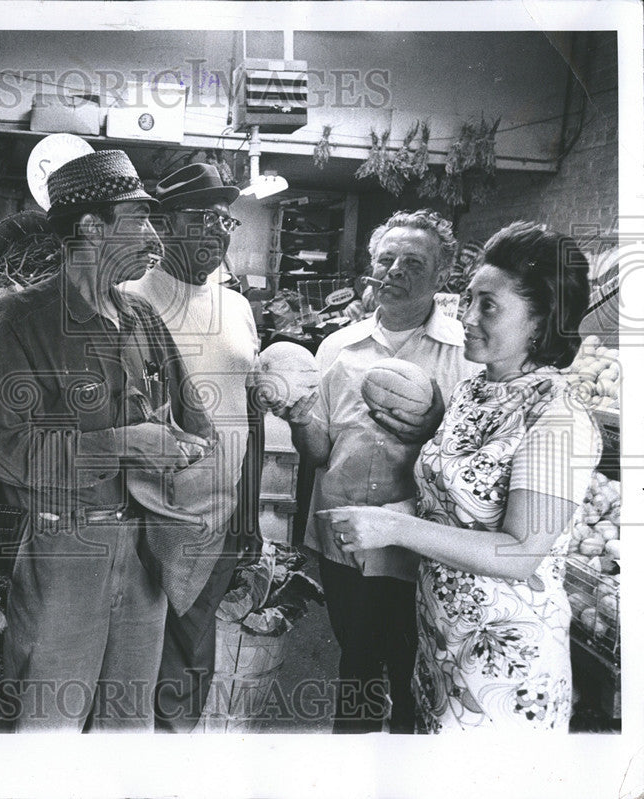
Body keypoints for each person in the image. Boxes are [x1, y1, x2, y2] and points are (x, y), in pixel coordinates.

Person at [323, 221, 599, 731]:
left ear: (540, 322)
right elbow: (448, 495)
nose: (467, 317)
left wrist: (396, 529)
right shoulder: (474, 389)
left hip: (503, 659)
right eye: (467, 299)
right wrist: (395, 510)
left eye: (488, 306)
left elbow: (522, 551)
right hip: (440, 639)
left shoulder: (555, 415)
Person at [0, 149, 212, 731]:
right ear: (90, 226)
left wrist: (183, 449)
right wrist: (125, 443)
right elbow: (10, 455)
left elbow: (196, 423)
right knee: (50, 723)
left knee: (128, 725)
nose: (154, 236)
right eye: (139, 219)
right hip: (67, 545)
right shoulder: (21, 319)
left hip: (146, 549)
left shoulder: (142, 318)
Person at [284, 209, 479, 733]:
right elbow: (318, 452)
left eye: (413, 262)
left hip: (423, 547)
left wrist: (433, 427)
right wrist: (296, 411)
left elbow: (475, 459)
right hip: (343, 540)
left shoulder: (467, 355)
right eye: (385, 259)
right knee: (357, 667)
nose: (395, 270)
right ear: (371, 266)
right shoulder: (336, 348)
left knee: (414, 672)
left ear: (442, 275)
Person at [121, 162, 262, 732]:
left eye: (224, 219)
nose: (216, 231)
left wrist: (249, 513)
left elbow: (251, 409)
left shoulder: (238, 307)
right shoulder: (128, 300)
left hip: (216, 515)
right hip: (139, 514)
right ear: (165, 225)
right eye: (200, 217)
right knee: (132, 655)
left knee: (192, 658)